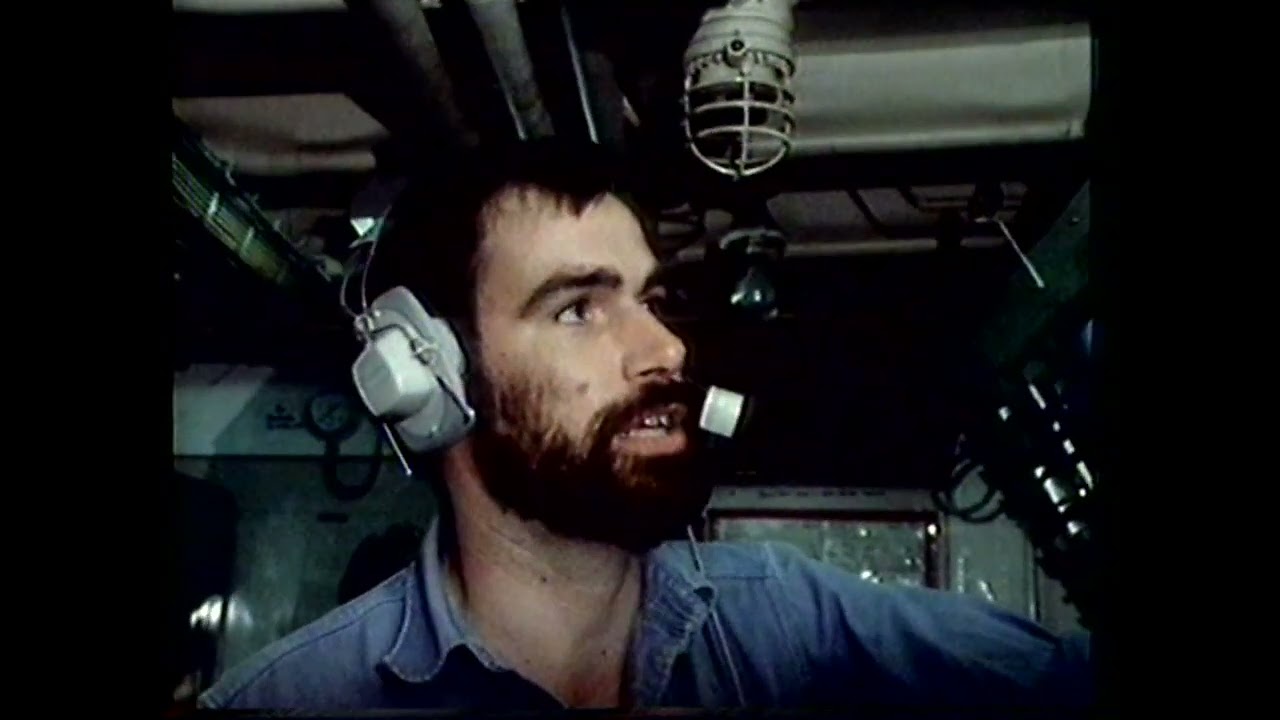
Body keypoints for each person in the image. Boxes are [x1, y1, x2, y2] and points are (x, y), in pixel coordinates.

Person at [197, 139, 1095, 712]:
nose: (665, 348)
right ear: (430, 378)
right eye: (577, 309)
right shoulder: (293, 699)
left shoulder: (788, 619)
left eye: (652, 300)